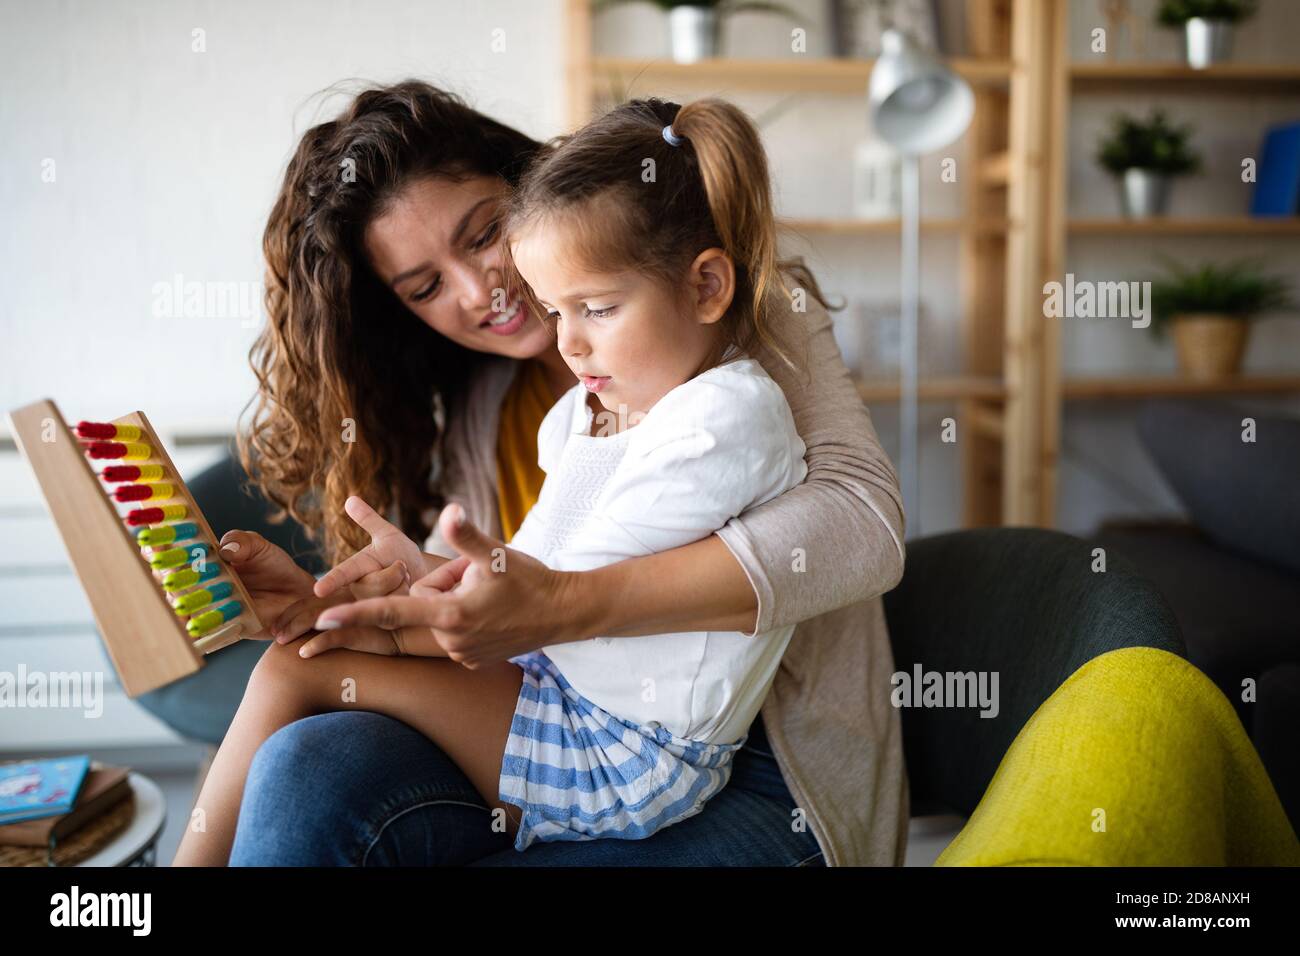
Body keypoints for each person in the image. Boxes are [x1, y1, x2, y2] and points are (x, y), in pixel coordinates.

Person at [196, 80, 906, 867]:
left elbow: (863, 528)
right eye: (426, 287)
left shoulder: (745, 321)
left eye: (485, 232)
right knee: (308, 764)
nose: (480, 291)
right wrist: (344, 605)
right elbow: (489, 617)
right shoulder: (495, 406)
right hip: (563, 717)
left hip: (769, 774)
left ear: (526, 185)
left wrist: (561, 606)